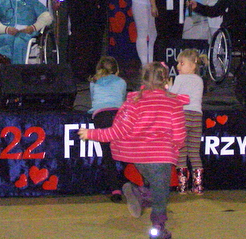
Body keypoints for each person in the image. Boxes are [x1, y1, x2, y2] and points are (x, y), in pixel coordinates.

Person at [78, 62, 187, 239]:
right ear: (167, 80)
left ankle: (140, 193)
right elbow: (180, 135)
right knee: (161, 194)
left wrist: (92, 133)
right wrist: (174, 147)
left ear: (143, 79)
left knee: (159, 189)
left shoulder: (134, 101)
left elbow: (119, 130)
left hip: (139, 157)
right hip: (161, 156)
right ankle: (158, 227)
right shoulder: (174, 103)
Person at [88, 56, 128, 203]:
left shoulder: (94, 82)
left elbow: (94, 100)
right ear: (117, 71)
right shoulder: (122, 82)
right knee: (125, 152)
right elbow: (122, 100)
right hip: (118, 116)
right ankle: (132, 183)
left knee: (107, 154)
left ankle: (115, 189)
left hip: (101, 117)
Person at [168, 48, 206, 195]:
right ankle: (198, 186)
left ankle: (183, 186)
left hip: (183, 116)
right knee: (194, 152)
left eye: (182, 63)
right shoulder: (200, 80)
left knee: (181, 152)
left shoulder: (180, 79)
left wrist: (168, 87)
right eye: (178, 63)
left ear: (193, 65)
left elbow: (173, 96)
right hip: (197, 117)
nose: (178, 66)